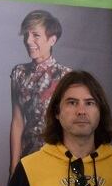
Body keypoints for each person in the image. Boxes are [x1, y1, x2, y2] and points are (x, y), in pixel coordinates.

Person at [8, 10, 71, 173]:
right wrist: (14, 167)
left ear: (52, 40)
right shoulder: (18, 73)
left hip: (59, 159)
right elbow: (17, 122)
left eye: (35, 35)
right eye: (26, 35)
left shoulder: (66, 76)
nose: (28, 41)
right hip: (28, 157)